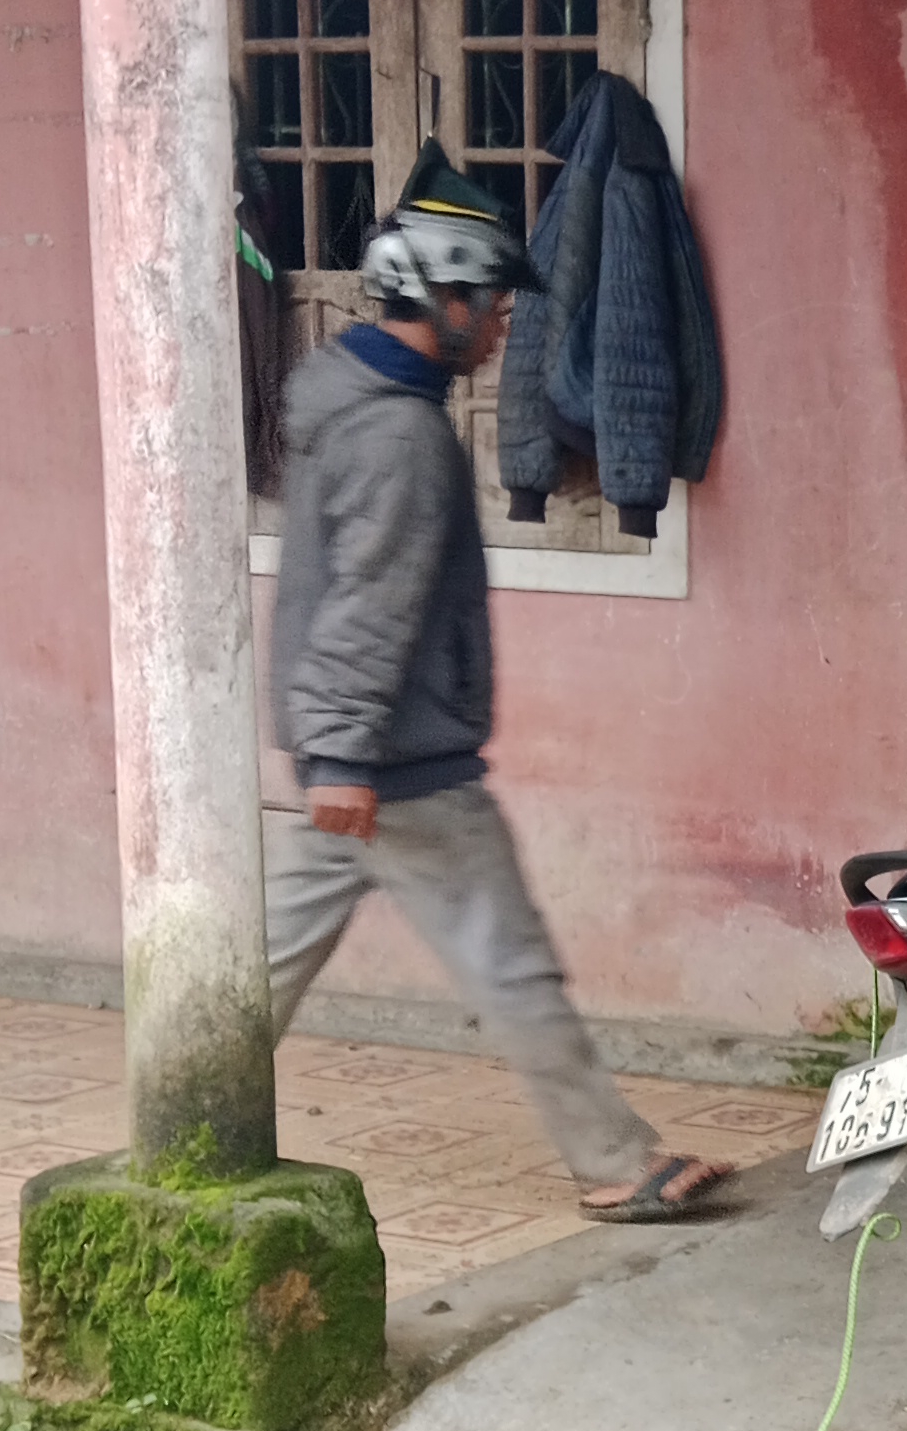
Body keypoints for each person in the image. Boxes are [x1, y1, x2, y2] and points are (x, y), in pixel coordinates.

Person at [264, 146, 733, 1223]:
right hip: (401, 766)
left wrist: (328, 751)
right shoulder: (400, 435)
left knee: (261, 966)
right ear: (441, 297)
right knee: (511, 963)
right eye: (491, 301)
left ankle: (178, 1119)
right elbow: (370, 601)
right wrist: (345, 753)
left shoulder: (354, 402)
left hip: (351, 755)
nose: (503, 323)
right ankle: (615, 1161)